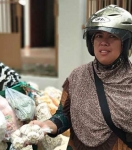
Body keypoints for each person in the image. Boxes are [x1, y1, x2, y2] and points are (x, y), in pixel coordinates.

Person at [30, 4, 132, 150]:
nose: (104, 41)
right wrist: (45, 126)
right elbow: (64, 115)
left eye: (112, 36)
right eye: (98, 36)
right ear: (91, 41)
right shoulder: (78, 76)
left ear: (125, 43)